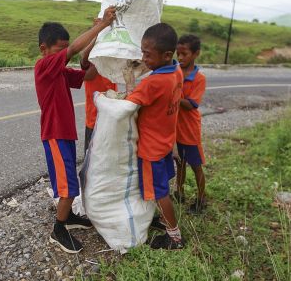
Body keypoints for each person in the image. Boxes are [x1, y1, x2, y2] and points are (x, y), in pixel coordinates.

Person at [34, 6, 116, 253]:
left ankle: (68, 217)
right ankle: (58, 230)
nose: (64, 55)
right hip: (55, 135)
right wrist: (100, 26)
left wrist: (100, 43)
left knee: (69, 182)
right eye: (60, 50)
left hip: (66, 134)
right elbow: (72, 51)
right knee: (68, 187)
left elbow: (88, 75)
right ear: (44, 50)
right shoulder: (44, 66)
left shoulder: (58, 70)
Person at [125, 22, 184, 250]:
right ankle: (163, 222)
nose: (143, 58)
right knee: (162, 189)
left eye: (148, 55)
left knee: (160, 193)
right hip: (166, 142)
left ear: (167, 54)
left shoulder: (153, 82)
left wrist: (129, 82)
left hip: (151, 149)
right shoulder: (176, 71)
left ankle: (174, 236)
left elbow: (128, 103)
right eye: (142, 52)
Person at [174, 34, 207, 213]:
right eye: (178, 54)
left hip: (190, 130)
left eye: (184, 54)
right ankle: (179, 193)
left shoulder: (199, 78)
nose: (180, 58)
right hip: (175, 129)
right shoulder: (175, 71)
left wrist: (174, 94)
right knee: (179, 162)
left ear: (195, 54)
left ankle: (202, 199)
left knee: (195, 166)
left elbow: (191, 104)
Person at [80, 29, 117, 155]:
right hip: (94, 121)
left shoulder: (112, 62)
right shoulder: (92, 63)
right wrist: (99, 34)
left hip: (111, 120)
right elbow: (84, 58)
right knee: (90, 162)